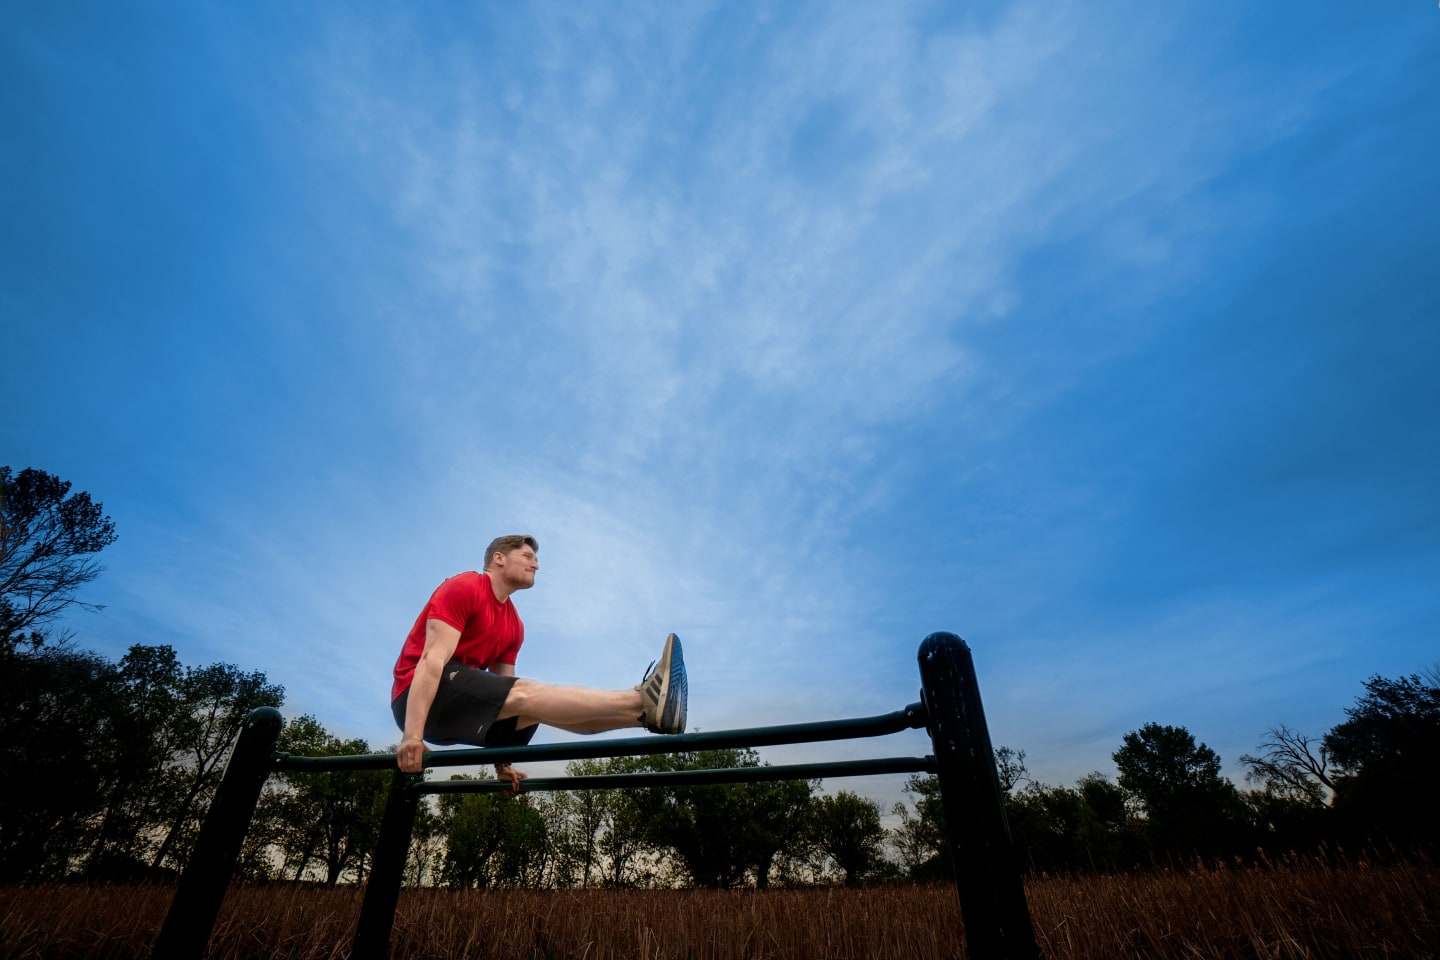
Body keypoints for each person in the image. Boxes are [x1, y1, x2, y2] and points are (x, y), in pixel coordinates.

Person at [391, 534, 687, 789]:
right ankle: (639, 701)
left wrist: (501, 765)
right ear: (499, 558)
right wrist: (411, 736)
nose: (536, 564)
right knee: (527, 691)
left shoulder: (513, 625)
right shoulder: (466, 586)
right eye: (528, 556)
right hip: (415, 698)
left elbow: (506, 697)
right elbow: (431, 662)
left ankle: (646, 718)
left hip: (455, 709)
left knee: (536, 708)